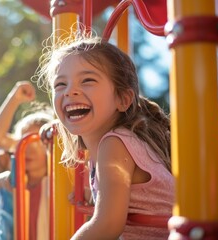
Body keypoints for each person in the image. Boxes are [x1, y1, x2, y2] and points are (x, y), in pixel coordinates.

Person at [36, 36, 174, 239]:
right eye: (60, 85)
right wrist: (96, 196)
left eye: (87, 80)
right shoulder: (113, 145)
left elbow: (107, 225)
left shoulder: (115, 144)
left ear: (122, 99)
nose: (70, 91)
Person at [0, 81, 53, 240]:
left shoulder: (59, 179)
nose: (28, 148)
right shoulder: (12, 174)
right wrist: (14, 98)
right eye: (23, 142)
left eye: (37, 141)